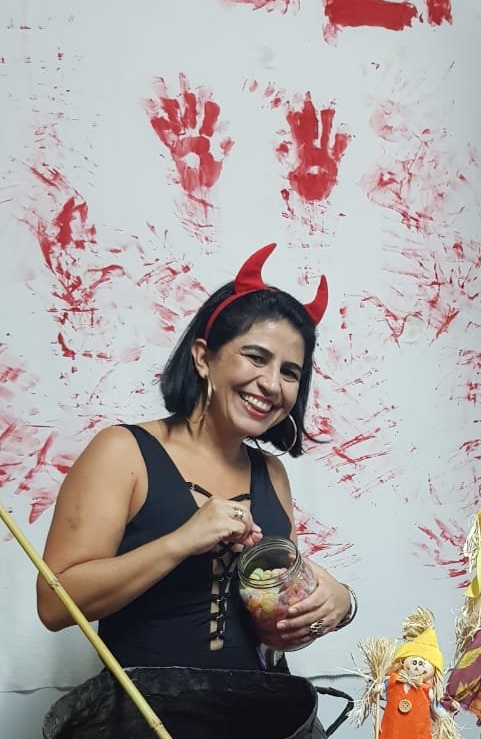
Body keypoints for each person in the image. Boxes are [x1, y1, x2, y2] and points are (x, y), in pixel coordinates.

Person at [37, 244, 357, 669]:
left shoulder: (271, 472)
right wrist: (181, 541)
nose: (271, 384)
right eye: (256, 357)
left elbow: (271, 627)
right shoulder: (122, 452)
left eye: (289, 372)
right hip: (147, 708)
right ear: (204, 357)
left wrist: (334, 604)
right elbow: (53, 606)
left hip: (264, 706)